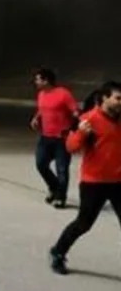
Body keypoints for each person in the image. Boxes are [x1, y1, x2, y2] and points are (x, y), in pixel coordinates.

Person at [48, 80, 121, 275]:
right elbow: (71, 147)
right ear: (105, 98)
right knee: (84, 224)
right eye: (118, 98)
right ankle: (57, 252)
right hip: (94, 183)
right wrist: (81, 133)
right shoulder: (89, 120)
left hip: (118, 182)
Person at [30, 68, 80, 208]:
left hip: (62, 138)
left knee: (62, 169)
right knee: (40, 164)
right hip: (46, 137)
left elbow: (75, 111)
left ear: (46, 80)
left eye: (38, 79)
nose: (36, 82)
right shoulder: (41, 94)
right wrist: (36, 118)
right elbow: (43, 108)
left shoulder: (63, 94)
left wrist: (76, 126)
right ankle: (54, 187)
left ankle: (60, 197)